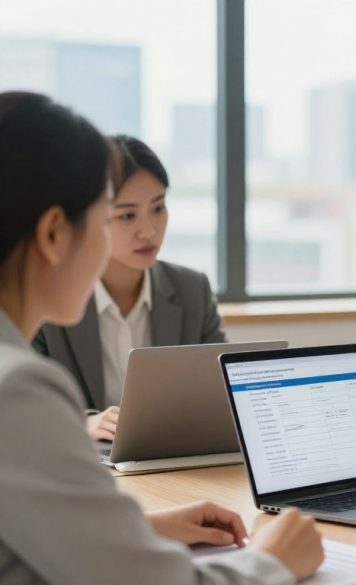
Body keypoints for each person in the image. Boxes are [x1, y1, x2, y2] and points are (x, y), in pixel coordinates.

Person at [0, 91, 323, 583]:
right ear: (53, 234)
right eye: (110, 214)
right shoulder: (16, 389)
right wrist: (271, 562)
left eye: (156, 208)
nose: (140, 230)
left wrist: (137, 530)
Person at [33, 134, 225, 441]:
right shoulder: (48, 298)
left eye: (158, 208)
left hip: (174, 465)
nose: (148, 230)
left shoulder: (193, 290)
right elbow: (23, 407)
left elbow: (221, 396)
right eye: (127, 215)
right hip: (84, 464)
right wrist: (85, 425)